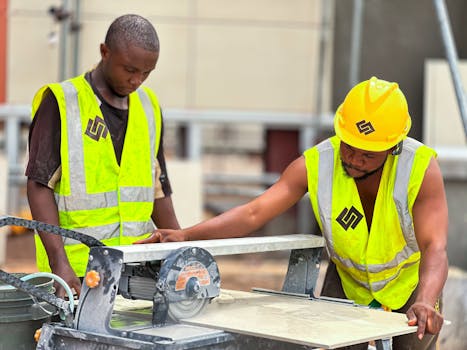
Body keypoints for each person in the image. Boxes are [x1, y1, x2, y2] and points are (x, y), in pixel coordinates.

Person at [135, 77, 449, 350]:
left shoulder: (419, 169)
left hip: (411, 287)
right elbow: (254, 212)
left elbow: (435, 247)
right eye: (348, 146)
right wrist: (187, 234)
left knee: (416, 340)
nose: (353, 159)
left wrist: (425, 298)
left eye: (367, 155)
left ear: (392, 147)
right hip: (347, 281)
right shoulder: (317, 163)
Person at [26, 14, 180, 298]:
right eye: (129, 69)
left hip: (137, 269)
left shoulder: (149, 106)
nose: (137, 80)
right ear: (104, 52)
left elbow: (159, 188)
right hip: (78, 272)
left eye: (146, 73)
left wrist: (184, 253)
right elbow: (38, 186)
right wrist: (58, 262)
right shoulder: (62, 101)